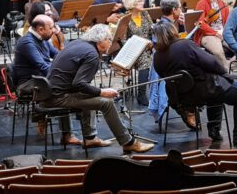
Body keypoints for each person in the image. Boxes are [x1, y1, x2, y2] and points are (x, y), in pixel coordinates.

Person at [42, 24, 154, 153]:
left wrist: (97, 91)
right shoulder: (92, 54)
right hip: (57, 97)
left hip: (51, 92)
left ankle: (90, 138)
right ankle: (128, 142)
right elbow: (79, 84)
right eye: (109, 39)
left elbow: (79, 84)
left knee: (92, 94)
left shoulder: (78, 43)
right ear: (100, 41)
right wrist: (103, 92)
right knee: (106, 102)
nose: (111, 43)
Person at [153, 21, 237, 145]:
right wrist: (227, 75)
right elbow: (212, 62)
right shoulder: (185, 45)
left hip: (182, 98)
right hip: (206, 89)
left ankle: (214, 130)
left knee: (217, 91)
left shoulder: (157, 57)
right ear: (172, 31)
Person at [12, 15, 78, 144]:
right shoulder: (27, 42)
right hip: (28, 83)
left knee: (67, 86)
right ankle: (65, 133)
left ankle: (62, 130)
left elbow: (58, 56)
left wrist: (73, 61)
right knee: (63, 88)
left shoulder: (42, 39)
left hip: (41, 80)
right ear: (41, 29)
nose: (54, 30)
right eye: (51, 27)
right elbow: (42, 66)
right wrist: (65, 75)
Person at [148, 0, 193, 127]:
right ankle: (187, 109)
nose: (182, 10)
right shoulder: (163, 27)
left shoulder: (171, 24)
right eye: (180, 8)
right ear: (174, 10)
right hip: (169, 68)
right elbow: (180, 45)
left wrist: (182, 26)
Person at [194, 0, 230, 70]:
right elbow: (201, 24)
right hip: (208, 35)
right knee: (218, 52)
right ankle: (227, 75)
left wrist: (225, 32)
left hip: (222, 33)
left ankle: (227, 65)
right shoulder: (201, 4)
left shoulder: (222, 3)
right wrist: (215, 33)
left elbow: (227, 22)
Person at [125, 0, 153, 106]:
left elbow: (152, 30)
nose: (143, 3)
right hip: (133, 50)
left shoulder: (145, 14)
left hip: (148, 46)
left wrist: (152, 42)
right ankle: (141, 94)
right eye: (140, 1)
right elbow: (123, 39)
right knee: (145, 60)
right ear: (133, 3)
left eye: (142, 1)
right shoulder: (125, 18)